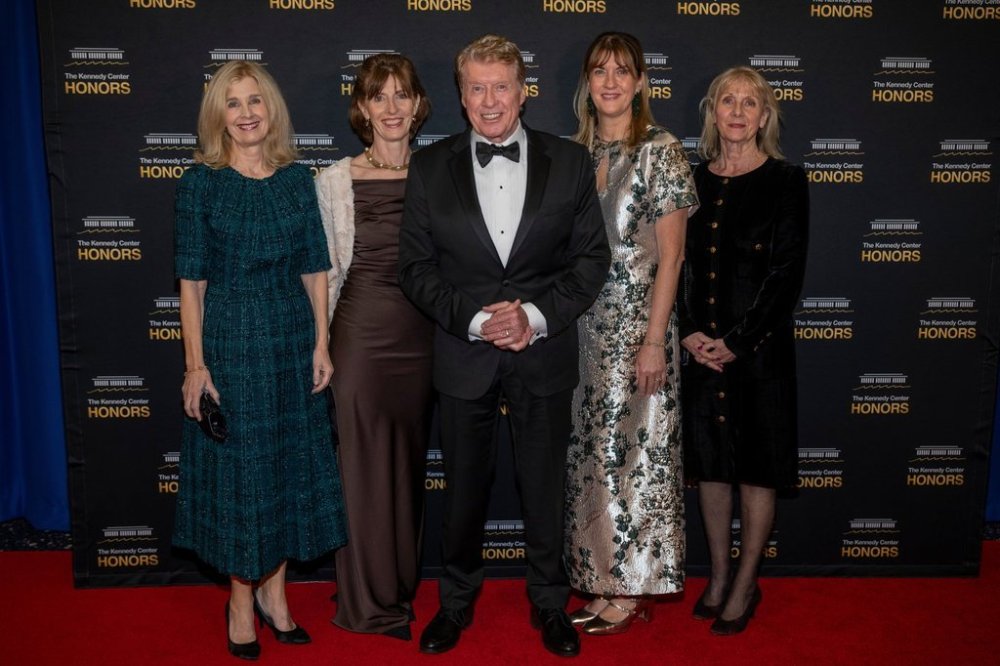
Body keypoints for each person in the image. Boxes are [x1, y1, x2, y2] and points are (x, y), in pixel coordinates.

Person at [398, 34, 611, 658]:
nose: (489, 100)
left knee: (544, 488)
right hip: (463, 354)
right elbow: (415, 268)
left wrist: (534, 318)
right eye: (476, 88)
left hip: (542, 353)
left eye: (500, 86)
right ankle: (455, 603)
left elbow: (590, 260)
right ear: (461, 96)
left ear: (523, 92)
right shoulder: (428, 167)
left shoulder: (569, 161)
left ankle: (549, 602)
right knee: (463, 489)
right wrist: (475, 321)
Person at [173, 60, 347, 660]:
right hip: (230, 340)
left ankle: (276, 594)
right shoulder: (200, 184)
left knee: (286, 470)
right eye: (233, 102)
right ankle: (240, 602)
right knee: (243, 477)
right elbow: (191, 284)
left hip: (290, 338)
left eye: (255, 100)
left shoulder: (298, 180)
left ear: (271, 109)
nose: (246, 113)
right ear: (217, 115)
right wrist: (196, 365)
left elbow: (315, 268)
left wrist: (321, 342)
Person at [563, 31, 698, 636]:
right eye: (601, 71)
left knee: (637, 456)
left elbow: (672, 257)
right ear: (587, 83)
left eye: (623, 71)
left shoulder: (661, 151)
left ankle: (632, 585)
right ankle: (601, 579)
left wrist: (653, 340)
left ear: (641, 82)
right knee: (594, 459)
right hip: (582, 332)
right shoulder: (576, 153)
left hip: (639, 330)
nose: (611, 82)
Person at [678, 65, 809, 636]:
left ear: (764, 116)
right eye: (726, 101)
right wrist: (687, 332)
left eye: (748, 103)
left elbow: (786, 275)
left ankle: (747, 582)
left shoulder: (786, 180)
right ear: (712, 112)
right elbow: (672, 263)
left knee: (756, 470)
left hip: (759, 355)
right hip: (700, 353)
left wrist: (736, 342)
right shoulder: (691, 179)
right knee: (711, 469)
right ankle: (718, 575)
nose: (736, 111)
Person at [315, 53, 433, 642]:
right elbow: (320, 273)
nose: (391, 107)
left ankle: (398, 586)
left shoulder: (439, 173)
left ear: (418, 104)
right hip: (360, 336)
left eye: (401, 94)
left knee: (407, 468)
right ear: (361, 107)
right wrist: (321, 344)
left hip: (424, 339)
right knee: (362, 469)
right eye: (378, 96)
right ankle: (369, 601)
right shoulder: (334, 180)